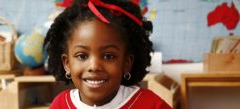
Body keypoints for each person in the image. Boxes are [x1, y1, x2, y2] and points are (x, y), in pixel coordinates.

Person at [44, 0, 172, 108]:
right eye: (82, 56)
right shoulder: (60, 104)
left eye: (108, 56)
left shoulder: (151, 105)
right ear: (67, 64)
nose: (94, 66)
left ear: (126, 63)